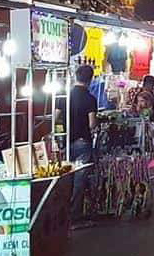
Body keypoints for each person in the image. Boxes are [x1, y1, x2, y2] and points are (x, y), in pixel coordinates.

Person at [56, 64, 98, 228]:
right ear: (90, 80)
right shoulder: (90, 99)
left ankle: (61, 215)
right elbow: (92, 123)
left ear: (75, 76)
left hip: (66, 142)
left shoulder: (64, 96)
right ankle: (74, 218)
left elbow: (55, 118)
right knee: (79, 181)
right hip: (82, 142)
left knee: (66, 178)